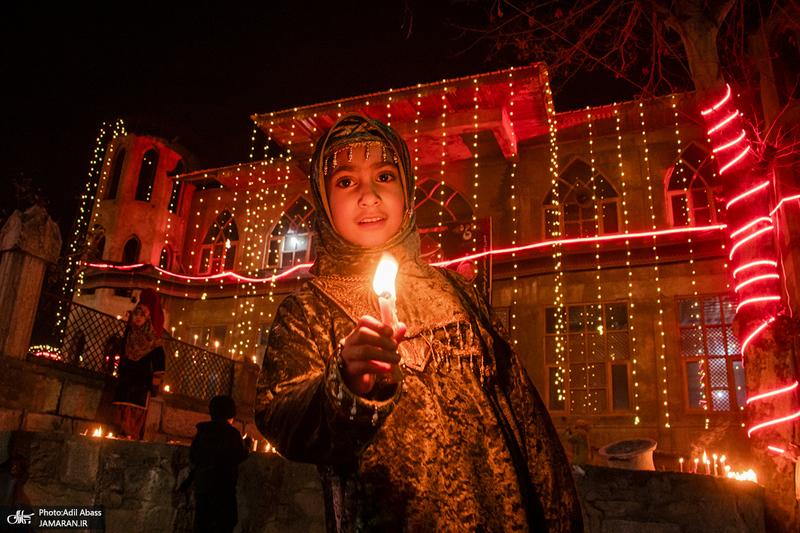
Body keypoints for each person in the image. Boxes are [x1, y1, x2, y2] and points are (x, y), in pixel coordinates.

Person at [254, 114, 582, 532]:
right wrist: (347, 385)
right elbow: (283, 418)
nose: (368, 196)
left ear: (408, 193)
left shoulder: (457, 292)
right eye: (345, 181)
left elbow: (525, 418)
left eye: (385, 176)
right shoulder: (309, 311)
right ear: (323, 200)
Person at [190, 395, 250, 533]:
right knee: (226, 523)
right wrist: (247, 445)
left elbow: (193, 456)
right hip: (223, 489)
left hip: (203, 489)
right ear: (231, 415)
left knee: (202, 525)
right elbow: (240, 454)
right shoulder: (231, 433)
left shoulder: (202, 433)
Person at [111, 288, 166, 440]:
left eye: (142, 315)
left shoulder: (151, 337)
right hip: (128, 374)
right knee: (123, 402)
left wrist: (156, 378)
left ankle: (133, 433)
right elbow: (123, 351)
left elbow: (158, 356)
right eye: (136, 314)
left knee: (137, 404)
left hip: (142, 376)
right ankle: (122, 430)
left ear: (147, 317)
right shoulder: (129, 334)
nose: (138, 317)